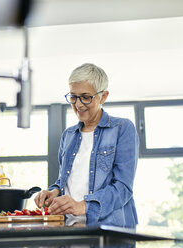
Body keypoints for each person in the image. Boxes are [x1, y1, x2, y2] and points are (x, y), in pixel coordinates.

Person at [34, 63, 139, 228]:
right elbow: (66, 180)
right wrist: (54, 191)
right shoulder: (68, 135)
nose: (78, 104)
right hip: (69, 228)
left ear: (103, 96)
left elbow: (122, 188)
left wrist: (82, 206)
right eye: (73, 97)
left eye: (86, 97)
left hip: (107, 230)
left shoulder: (122, 128)